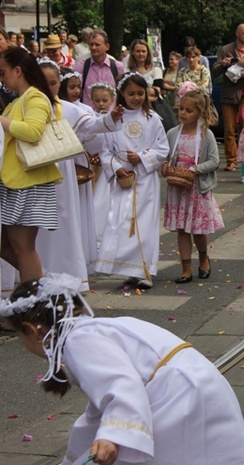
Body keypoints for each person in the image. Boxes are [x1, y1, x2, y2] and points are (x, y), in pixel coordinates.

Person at [0, 274, 244, 465]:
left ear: (32, 330)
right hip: (200, 389)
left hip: (177, 399)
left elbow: (122, 385)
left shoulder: (79, 340)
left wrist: (114, 435)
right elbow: (96, 413)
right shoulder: (93, 329)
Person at [36, 59, 123, 293]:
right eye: (43, 82)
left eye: (53, 83)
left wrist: (109, 119)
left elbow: (91, 125)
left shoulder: (69, 109)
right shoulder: (26, 106)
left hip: (62, 175)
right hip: (34, 172)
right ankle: (36, 272)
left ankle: (66, 273)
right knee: (36, 225)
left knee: (63, 220)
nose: (49, 87)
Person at [95, 73, 169, 289]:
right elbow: (105, 150)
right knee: (122, 222)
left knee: (144, 223)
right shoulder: (113, 119)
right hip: (124, 180)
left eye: (140, 93)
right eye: (131, 94)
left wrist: (143, 158)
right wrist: (117, 169)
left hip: (145, 180)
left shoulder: (152, 119)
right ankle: (129, 268)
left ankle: (145, 270)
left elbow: (162, 148)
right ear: (122, 94)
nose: (136, 98)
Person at [0, 48, 61, 282]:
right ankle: (43, 287)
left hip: (28, 182)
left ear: (17, 70)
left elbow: (34, 132)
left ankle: (37, 299)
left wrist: (2, 121)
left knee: (22, 247)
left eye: (3, 73)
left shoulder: (34, 97)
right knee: (10, 246)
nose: (2, 78)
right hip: (18, 181)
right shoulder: (22, 99)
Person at [163, 89, 223, 283]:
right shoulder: (173, 133)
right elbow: (166, 156)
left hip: (197, 188)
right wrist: (165, 167)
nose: (183, 113)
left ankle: (203, 257)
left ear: (199, 113)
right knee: (182, 229)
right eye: (181, 109)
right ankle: (186, 267)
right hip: (178, 186)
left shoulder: (206, 135)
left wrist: (195, 170)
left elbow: (214, 161)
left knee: (198, 229)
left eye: (188, 111)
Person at [213, 24, 244, 172]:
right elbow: (215, 71)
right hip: (230, 94)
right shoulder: (226, 50)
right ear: (237, 34)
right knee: (229, 129)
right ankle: (231, 160)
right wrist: (224, 65)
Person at [88, 82, 117, 243]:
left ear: (112, 100)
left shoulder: (114, 118)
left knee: (107, 197)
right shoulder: (91, 118)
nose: (100, 104)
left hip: (108, 163)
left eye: (104, 100)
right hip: (93, 161)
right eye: (97, 100)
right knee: (96, 198)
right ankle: (95, 231)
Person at [74, 29, 125, 107]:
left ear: (107, 47)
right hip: (89, 114)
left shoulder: (117, 66)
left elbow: (123, 92)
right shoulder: (82, 66)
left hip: (111, 115)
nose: (94, 48)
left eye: (97, 45)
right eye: (91, 44)